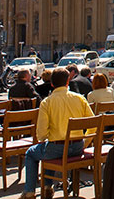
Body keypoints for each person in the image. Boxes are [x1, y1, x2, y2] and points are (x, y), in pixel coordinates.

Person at [21, 67, 95, 199]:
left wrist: (45, 138)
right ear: (68, 82)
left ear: (52, 84)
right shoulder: (79, 99)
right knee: (46, 148)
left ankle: (30, 191)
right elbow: (93, 123)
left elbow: (42, 134)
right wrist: (85, 143)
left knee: (32, 153)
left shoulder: (47, 102)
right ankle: (47, 186)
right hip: (78, 146)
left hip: (57, 147)